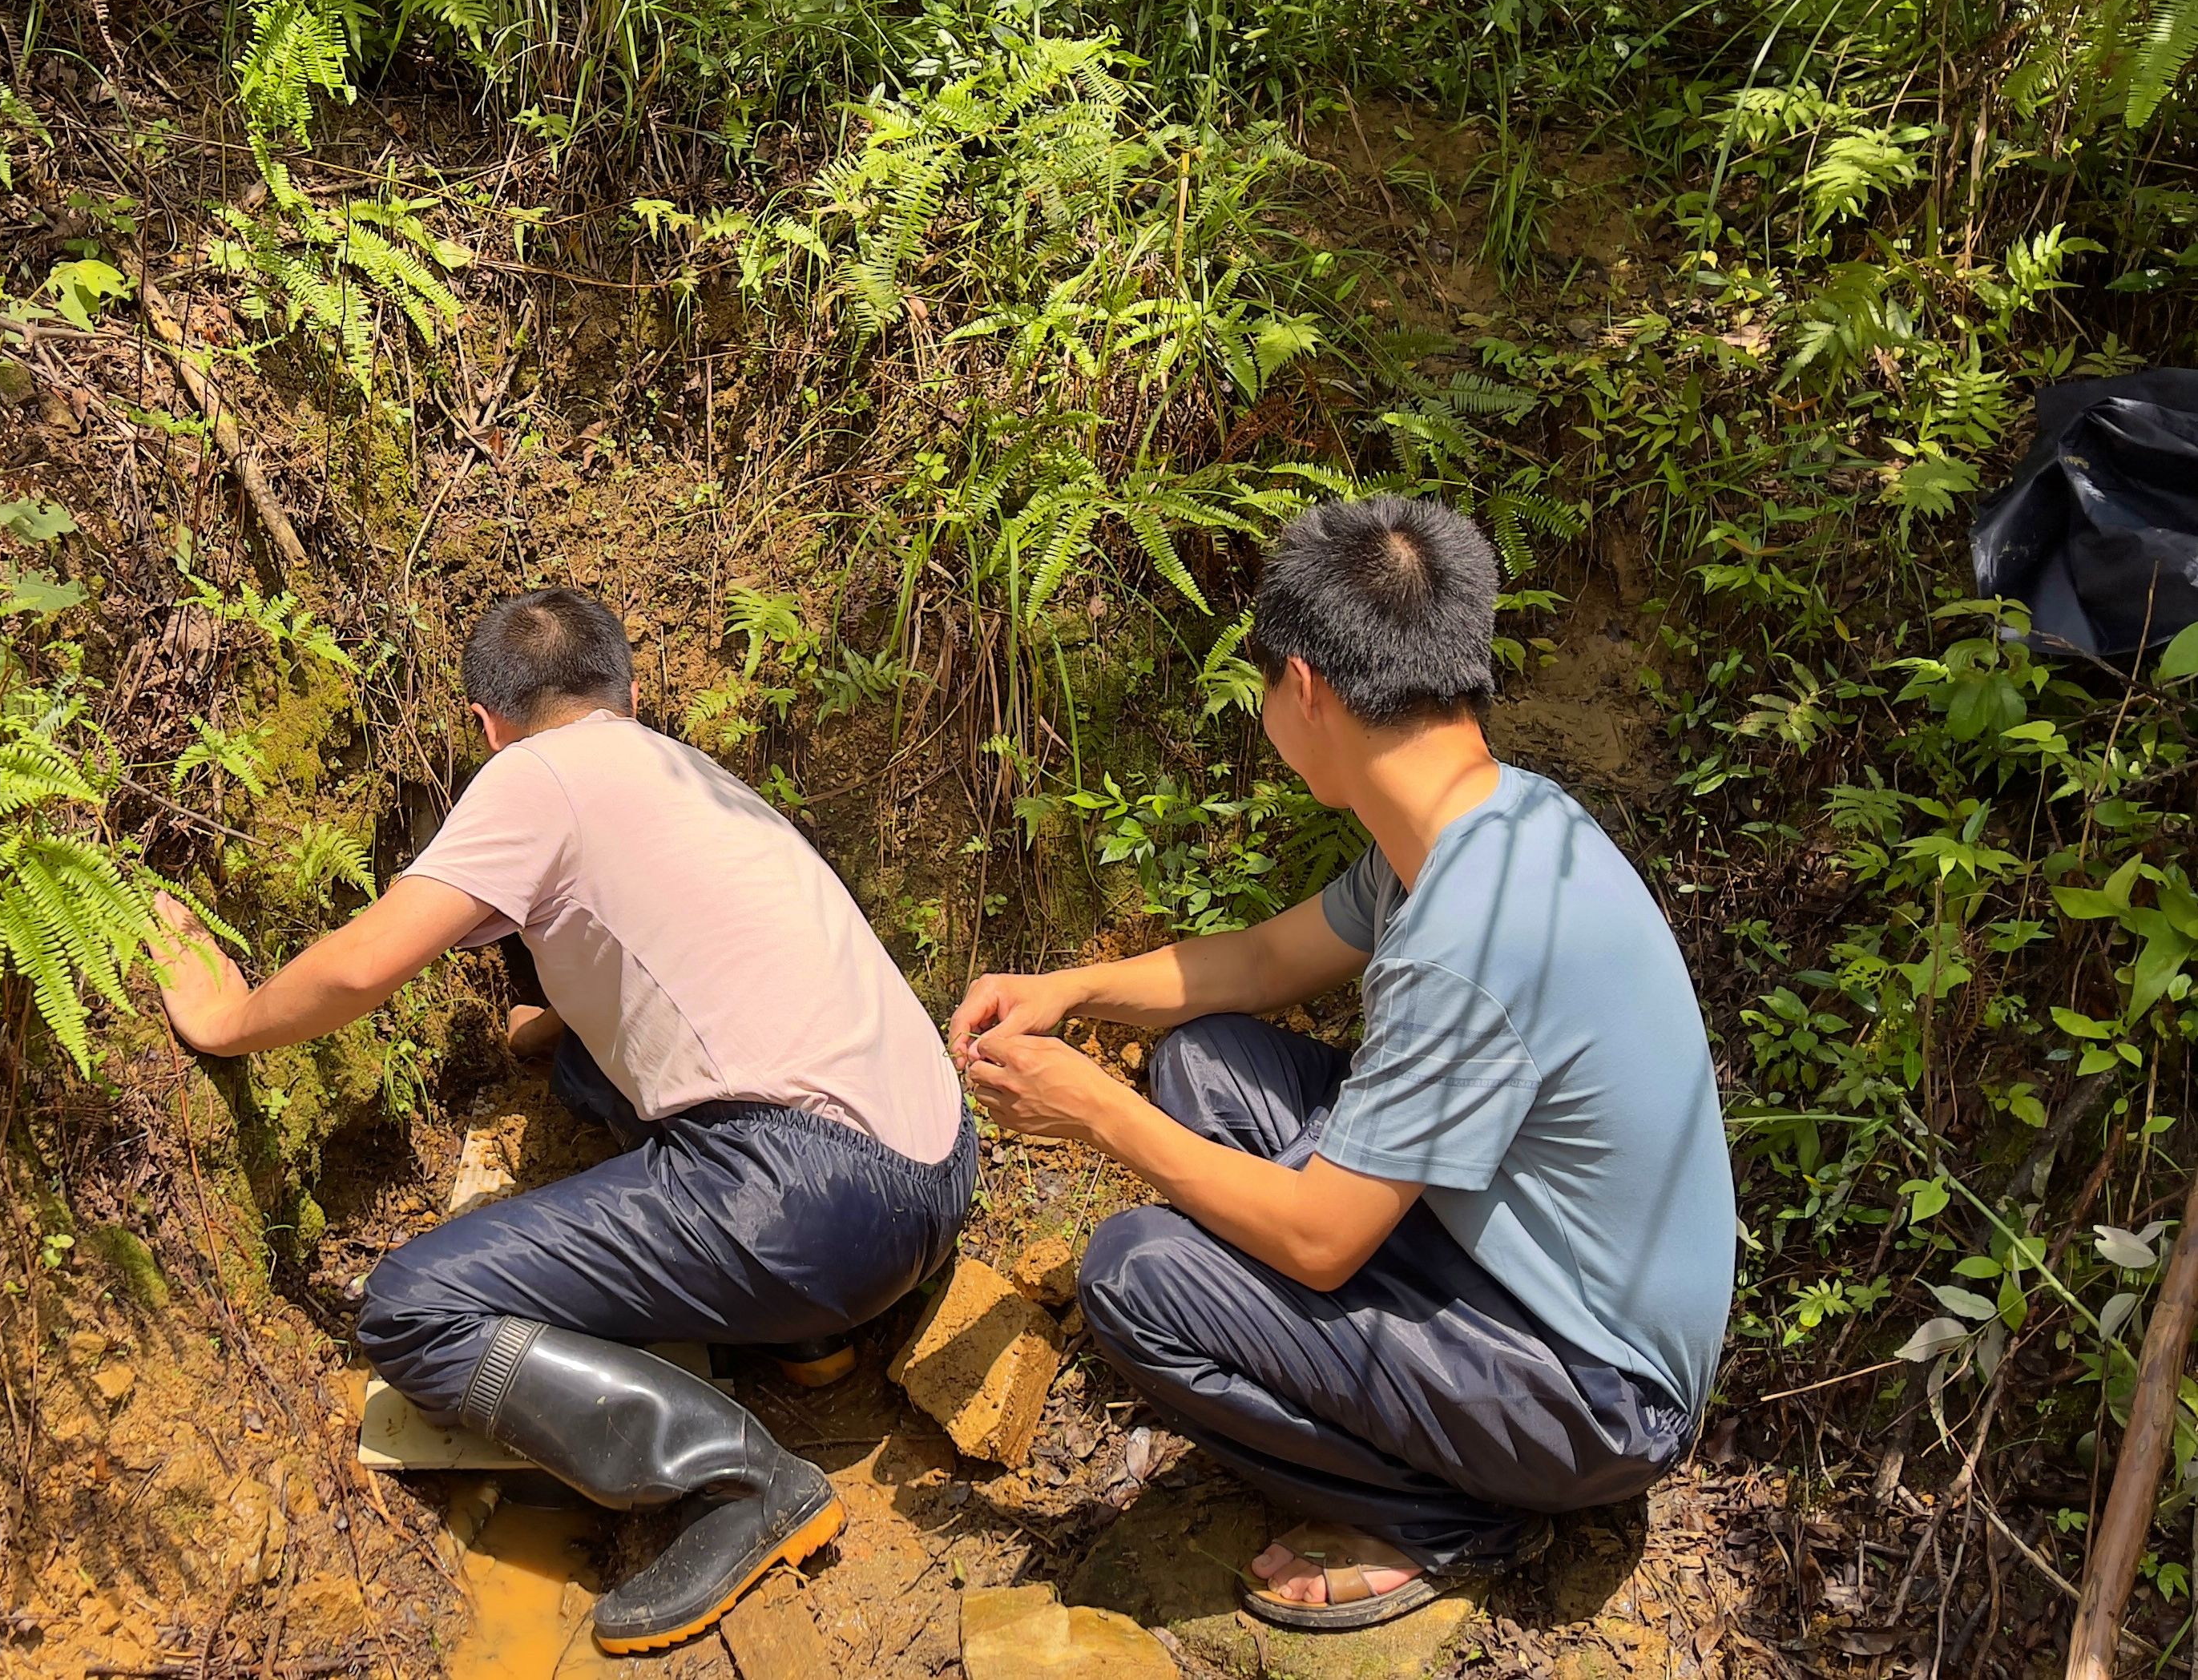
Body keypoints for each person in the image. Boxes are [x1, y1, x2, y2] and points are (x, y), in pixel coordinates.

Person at [951, 495, 1732, 1632]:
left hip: (1597, 1395)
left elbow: (1321, 1245)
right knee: (1206, 1064)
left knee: (1134, 1277)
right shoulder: (1495, 825)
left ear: (1305, 688)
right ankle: (1365, 1397)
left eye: (1264, 687)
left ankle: (1447, 1517)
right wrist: (1073, 990)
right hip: (1513, 1263)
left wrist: (1093, 1110)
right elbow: (1267, 958)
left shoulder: (1473, 938)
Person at [151, 587, 974, 1655]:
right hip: (937, 1164)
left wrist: (224, 1017)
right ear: (631, 692)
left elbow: (362, 964)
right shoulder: (686, 768)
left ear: (487, 728)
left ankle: (735, 1483)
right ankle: (811, 1334)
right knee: (588, 1069)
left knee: (411, 1310)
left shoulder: (529, 779)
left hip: (808, 1201)